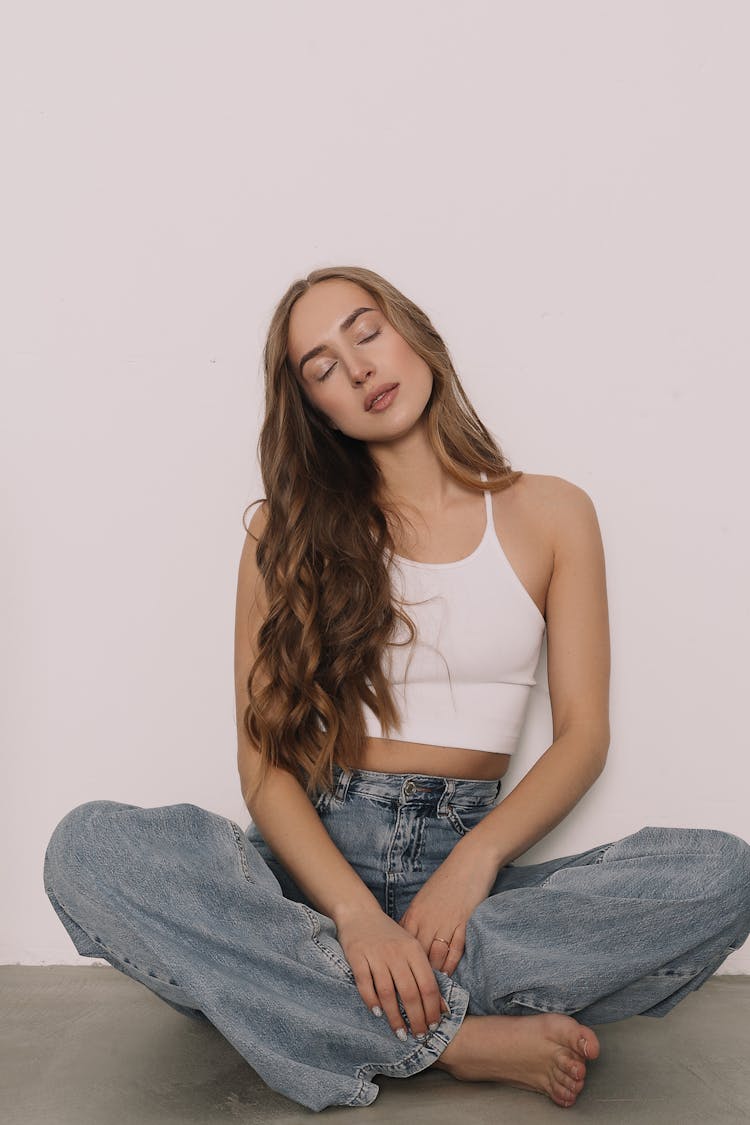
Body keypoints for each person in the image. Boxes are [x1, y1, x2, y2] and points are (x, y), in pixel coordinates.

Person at [43, 266, 750, 1114]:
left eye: (365, 331)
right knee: (89, 849)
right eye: (323, 366)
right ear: (316, 409)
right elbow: (263, 767)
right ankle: (456, 1038)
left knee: (721, 873)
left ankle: (314, 1000)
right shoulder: (281, 533)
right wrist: (351, 914)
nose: (359, 368)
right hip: (311, 876)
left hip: (466, 889)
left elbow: (583, 736)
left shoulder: (554, 512)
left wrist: (473, 861)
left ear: (412, 333)